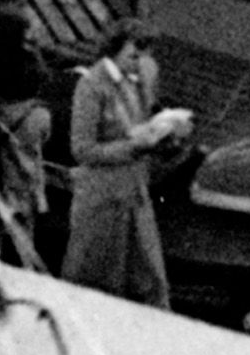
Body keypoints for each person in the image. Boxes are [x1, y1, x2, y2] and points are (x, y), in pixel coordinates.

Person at [63, 19, 183, 307]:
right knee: (95, 281)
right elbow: (82, 150)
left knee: (151, 280)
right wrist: (134, 147)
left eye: (143, 56)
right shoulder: (91, 86)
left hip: (133, 193)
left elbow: (144, 124)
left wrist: (166, 136)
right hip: (102, 199)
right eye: (133, 56)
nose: (139, 63)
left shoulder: (137, 82)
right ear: (112, 52)